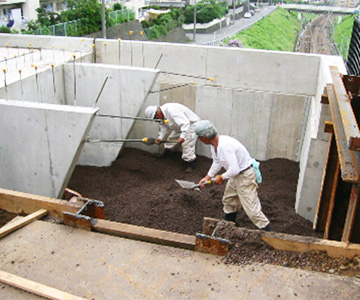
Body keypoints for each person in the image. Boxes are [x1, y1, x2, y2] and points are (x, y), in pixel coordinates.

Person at [194, 120, 271, 231]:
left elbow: (234, 169)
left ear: (204, 137)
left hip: (245, 176)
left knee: (252, 210)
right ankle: (229, 227)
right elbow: (217, 162)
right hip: (235, 176)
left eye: (199, 138)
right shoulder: (214, 145)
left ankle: (269, 234)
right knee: (229, 201)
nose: (199, 140)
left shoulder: (225, 145)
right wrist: (207, 177)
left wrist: (221, 177)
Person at [144, 103, 201, 171]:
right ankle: (166, 153)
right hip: (180, 127)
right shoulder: (162, 116)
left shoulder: (171, 111)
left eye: (156, 117)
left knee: (186, 143)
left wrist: (182, 137)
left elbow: (185, 123)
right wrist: (160, 138)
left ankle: (190, 163)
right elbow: (163, 127)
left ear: (157, 113)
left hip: (192, 124)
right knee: (171, 139)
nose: (157, 119)